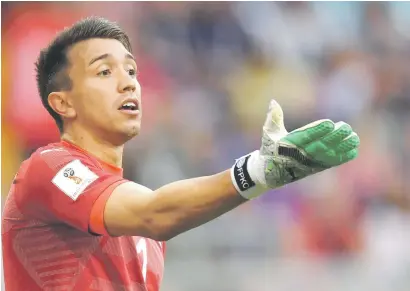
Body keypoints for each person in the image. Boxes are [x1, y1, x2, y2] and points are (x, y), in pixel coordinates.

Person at [1, 17, 360, 291]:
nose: (128, 82)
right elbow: (157, 212)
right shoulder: (47, 169)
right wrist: (258, 171)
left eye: (131, 70)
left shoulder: (145, 237)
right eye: (105, 71)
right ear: (63, 103)